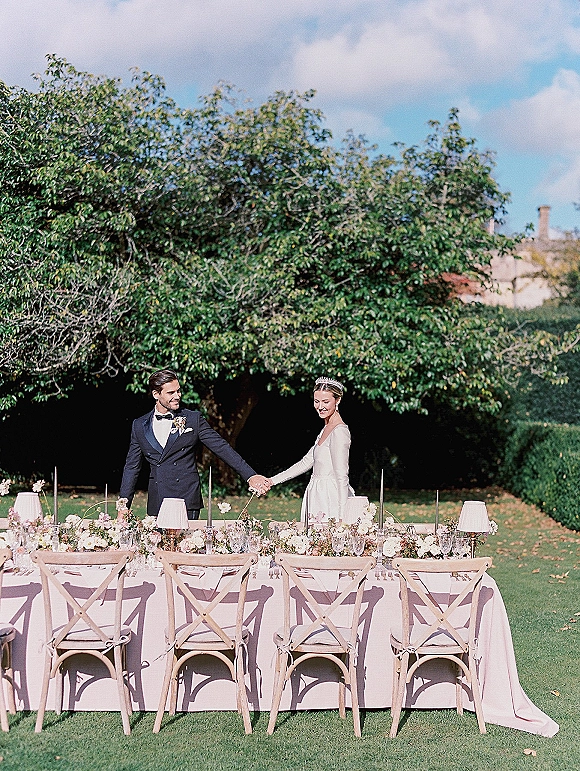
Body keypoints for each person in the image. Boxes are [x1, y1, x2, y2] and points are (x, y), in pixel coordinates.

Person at [118, 369, 271, 519]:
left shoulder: (193, 419)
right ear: (156, 395)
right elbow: (132, 467)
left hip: (186, 499)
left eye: (178, 391)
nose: (177, 396)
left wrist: (250, 475)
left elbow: (221, 447)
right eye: (171, 393)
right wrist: (123, 506)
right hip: (158, 500)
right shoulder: (139, 425)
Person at [268, 377, 354, 523]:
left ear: (337, 400)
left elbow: (341, 476)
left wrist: (342, 516)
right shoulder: (325, 429)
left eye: (326, 402)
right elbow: (306, 462)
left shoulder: (340, 431)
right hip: (316, 493)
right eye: (316, 401)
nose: (320, 406)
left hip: (330, 496)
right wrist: (271, 481)